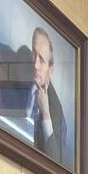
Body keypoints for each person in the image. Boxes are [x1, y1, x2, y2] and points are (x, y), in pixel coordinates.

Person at [28, 27, 67, 164]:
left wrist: (45, 113)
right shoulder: (21, 84)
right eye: (34, 54)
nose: (35, 64)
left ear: (50, 70)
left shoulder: (56, 109)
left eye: (42, 60)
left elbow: (55, 161)